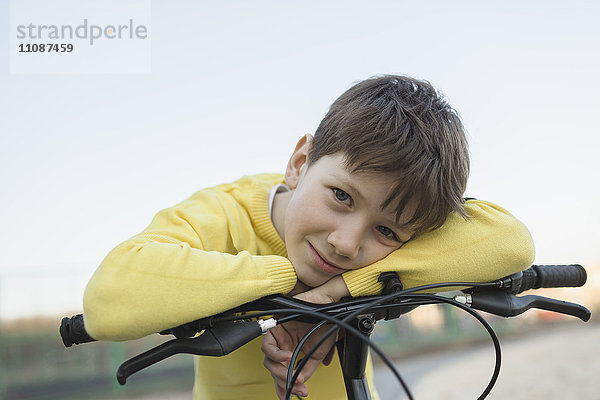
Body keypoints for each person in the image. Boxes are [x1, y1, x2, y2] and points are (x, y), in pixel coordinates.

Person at [83, 75, 535, 399]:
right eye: (341, 196)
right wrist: (287, 284)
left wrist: (341, 291)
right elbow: (109, 300)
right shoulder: (223, 211)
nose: (346, 244)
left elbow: (511, 242)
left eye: (385, 230)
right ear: (300, 162)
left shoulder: (368, 253)